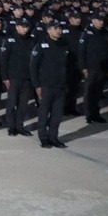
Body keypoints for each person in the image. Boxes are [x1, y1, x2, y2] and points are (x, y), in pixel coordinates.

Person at [30, 20, 72, 149]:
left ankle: (53, 137)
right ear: (48, 30)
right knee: (44, 113)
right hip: (46, 86)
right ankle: (43, 138)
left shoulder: (64, 45)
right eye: (55, 28)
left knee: (57, 115)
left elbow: (69, 65)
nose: (58, 31)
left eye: (60, 28)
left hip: (60, 86)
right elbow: (33, 67)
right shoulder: (41, 45)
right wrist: (37, 85)